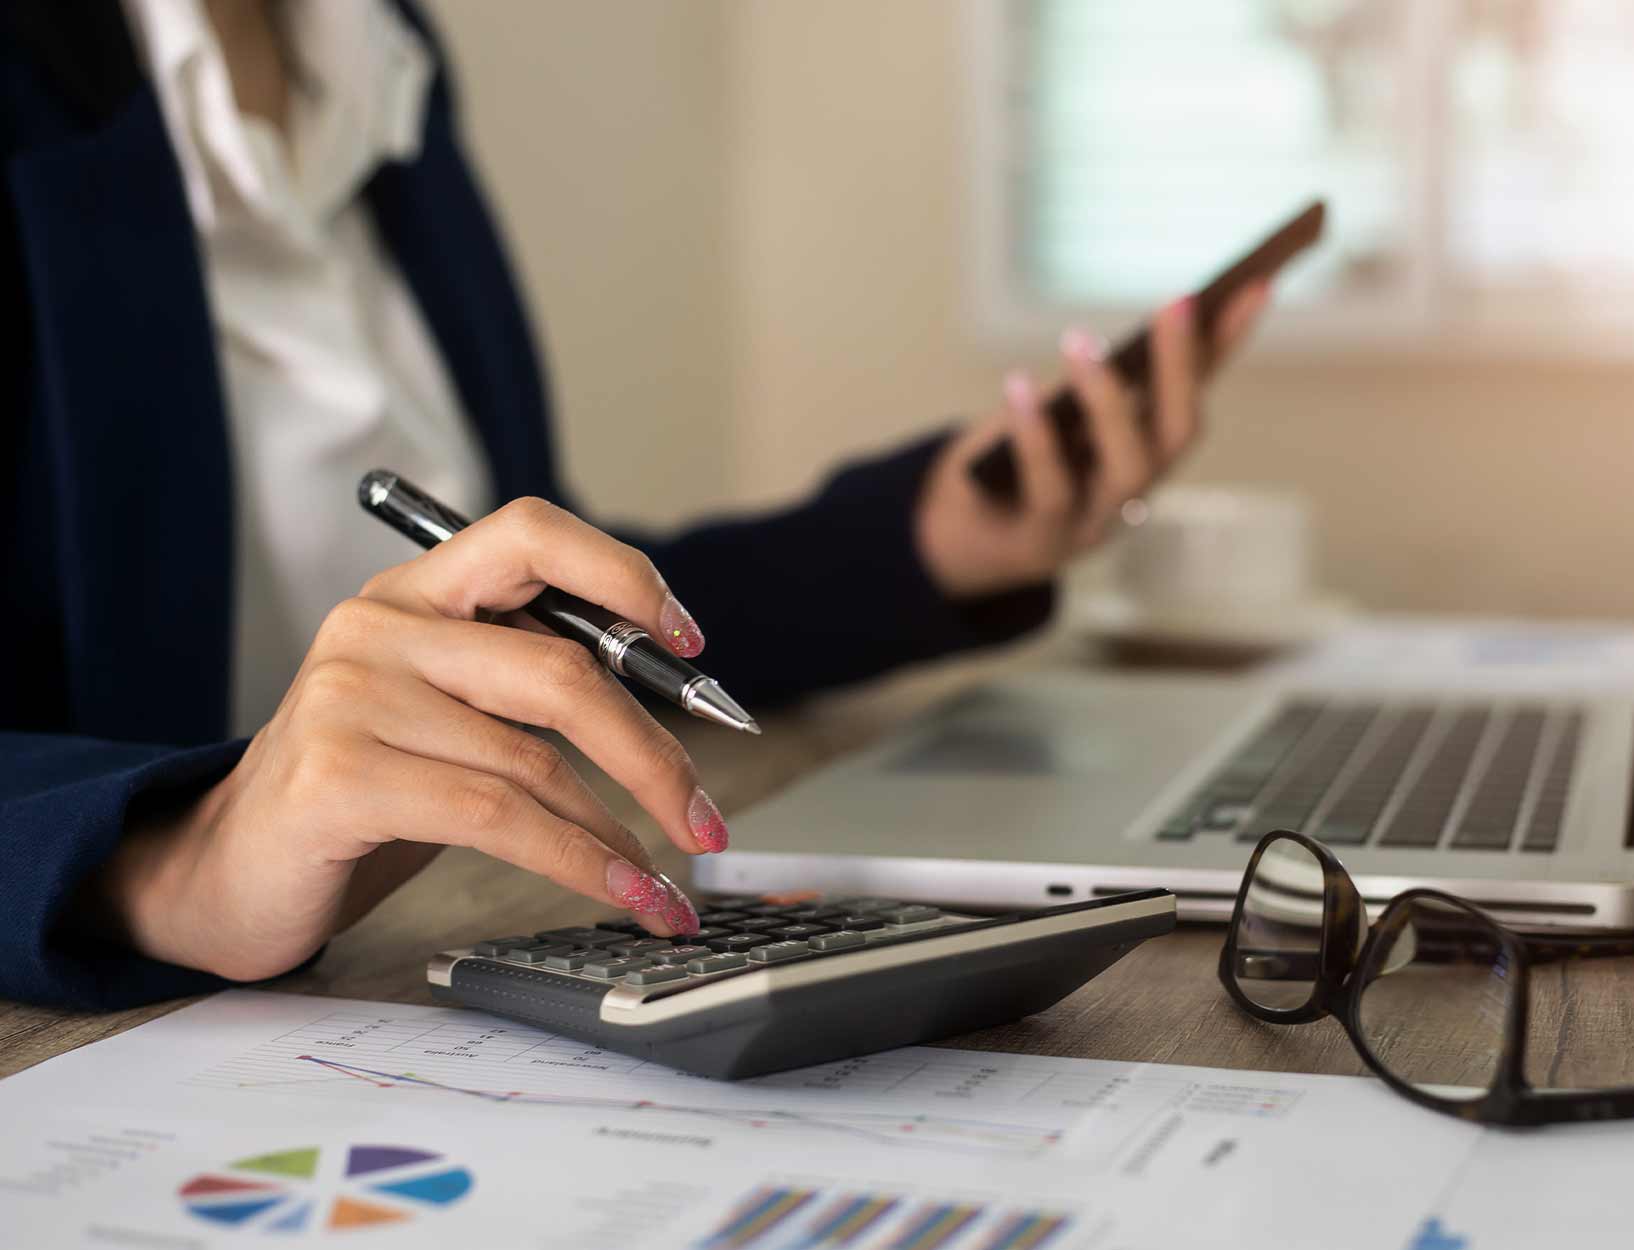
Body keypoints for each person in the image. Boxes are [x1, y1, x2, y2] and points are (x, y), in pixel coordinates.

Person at [0, 0, 1272, 1010]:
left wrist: (928, 540)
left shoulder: (383, 58)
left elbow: (545, 612)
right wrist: (172, 857)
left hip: (434, 938)